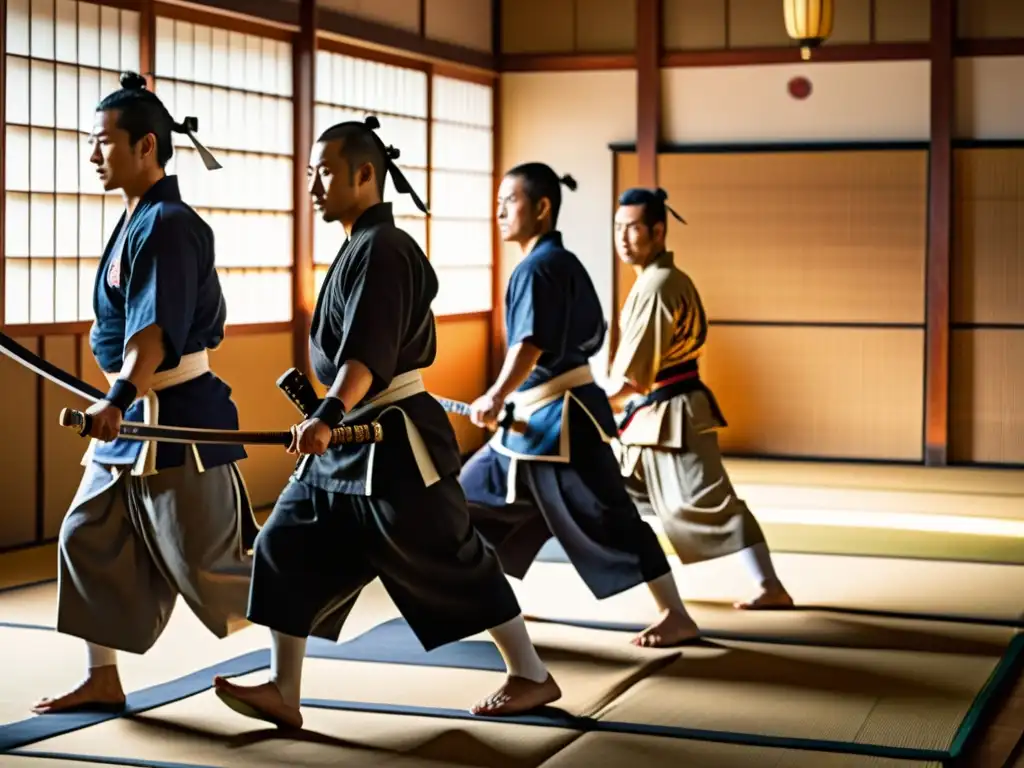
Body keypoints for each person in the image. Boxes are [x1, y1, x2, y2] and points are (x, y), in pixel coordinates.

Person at [212, 118, 561, 730]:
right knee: (284, 541)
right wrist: (329, 420)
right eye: (311, 173)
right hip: (346, 439)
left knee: (451, 556)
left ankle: (530, 673)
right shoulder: (357, 246)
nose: (314, 185)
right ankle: (282, 688)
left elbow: (365, 356)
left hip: (393, 440)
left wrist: (326, 414)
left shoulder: (385, 249)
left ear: (364, 175)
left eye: (325, 172)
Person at [33, 72, 259, 715]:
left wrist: (117, 395)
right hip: (131, 415)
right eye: (90, 142)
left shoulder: (168, 224)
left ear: (147, 146)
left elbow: (153, 332)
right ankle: (102, 676)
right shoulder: (138, 217)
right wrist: (119, 398)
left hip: (173, 418)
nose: (92, 155)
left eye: (104, 142)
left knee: (208, 569)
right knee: (86, 535)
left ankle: (294, 644)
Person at [459, 163, 701, 649]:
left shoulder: (538, 267)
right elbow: (589, 334)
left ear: (542, 208)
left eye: (511, 200)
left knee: (608, 516)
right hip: (538, 422)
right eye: (499, 200)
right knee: (466, 505)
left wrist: (495, 394)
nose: (500, 209)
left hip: (559, 422)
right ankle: (497, 607)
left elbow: (528, 344)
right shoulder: (561, 262)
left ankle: (675, 614)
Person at [606, 187, 793, 610]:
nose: (622, 237)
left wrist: (591, 401)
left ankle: (770, 586)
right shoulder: (654, 281)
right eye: (617, 227)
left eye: (632, 227)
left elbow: (635, 378)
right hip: (649, 417)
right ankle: (649, 584)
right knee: (613, 497)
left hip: (675, 415)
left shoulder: (659, 285)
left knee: (712, 502)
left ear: (657, 231)